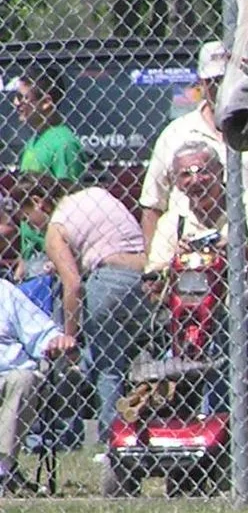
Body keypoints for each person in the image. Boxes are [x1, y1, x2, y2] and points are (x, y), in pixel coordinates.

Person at [147, 142, 248, 460]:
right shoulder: (172, 223)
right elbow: (151, 287)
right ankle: (169, 442)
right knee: (166, 353)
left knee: (223, 332)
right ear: (176, 183)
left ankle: (217, 438)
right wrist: (176, 267)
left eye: (202, 170)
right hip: (190, 323)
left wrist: (241, 251)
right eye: (184, 174)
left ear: (220, 172)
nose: (195, 180)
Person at [11, 175, 147, 442]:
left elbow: (72, 285)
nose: (32, 227)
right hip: (145, 279)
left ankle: (112, 441)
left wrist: (68, 335)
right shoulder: (95, 194)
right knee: (139, 360)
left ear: (38, 202)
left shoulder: (56, 226)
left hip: (107, 283)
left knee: (107, 366)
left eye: (28, 218)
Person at [139, 40, 248, 254]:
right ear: (201, 83)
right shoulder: (175, 134)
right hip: (192, 264)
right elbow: (153, 204)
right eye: (214, 81)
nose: (221, 88)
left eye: (227, 79)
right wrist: (154, 268)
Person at [0, 278, 76, 495]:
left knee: (25, 379)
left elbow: (42, 332)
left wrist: (57, 340)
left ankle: (1, 469)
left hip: (8, 375)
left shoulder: (4, 291)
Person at [13, 69, 85, 270]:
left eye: (22, 97)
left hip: (50, 252)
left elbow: (69, 201)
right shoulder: (33, 143)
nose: (16, 104)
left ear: (46, 102)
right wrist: (22, 259)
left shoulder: (63, 143)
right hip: (32, 253)